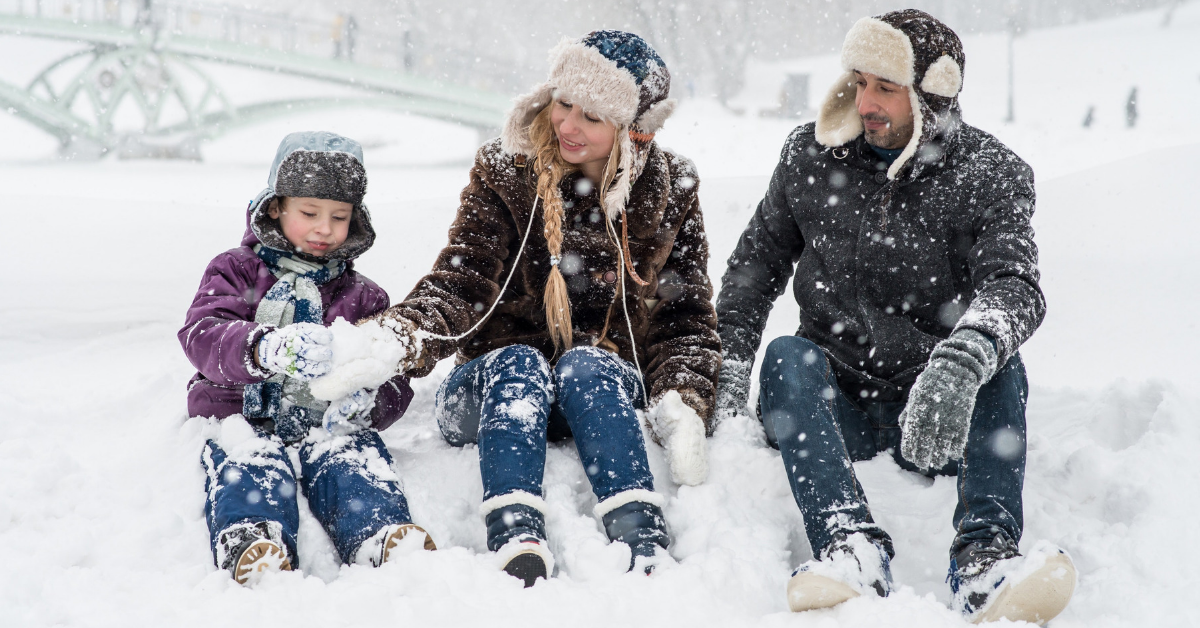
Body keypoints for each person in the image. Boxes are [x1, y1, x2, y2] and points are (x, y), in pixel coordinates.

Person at [713, 10, 1075, 624]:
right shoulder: (809, 156)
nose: (866, 101)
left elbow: (1015, 285)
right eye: (859, 82)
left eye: (886, 87)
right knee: (785, 357)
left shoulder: (989, 174)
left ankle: (985, 560)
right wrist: (724, 376)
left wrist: (961, 363)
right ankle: (849, 546)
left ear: (931, 95)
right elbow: (752, 273)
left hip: (938, 413)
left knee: (1000, 363)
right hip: (835, 406)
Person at [364, 31, 720, 586]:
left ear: (633, 130)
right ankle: (516, 531)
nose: (568, 125)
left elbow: (686, 314)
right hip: (493, 389)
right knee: (520, 365)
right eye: (564, 103)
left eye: (593, 116)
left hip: (595, 396)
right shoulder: (506, 170)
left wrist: (684, 396)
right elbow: (463, 279)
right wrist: (399, 336)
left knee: (589, 364)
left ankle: (639, 533)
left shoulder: (673, 186)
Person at [179, 131, 435, 586]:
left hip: (326, 422)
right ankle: (254, 536)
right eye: (310, 213)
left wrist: (371, 402)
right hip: (239, 412)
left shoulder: (364, 296)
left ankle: (378, 532)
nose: (324, 229)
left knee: (352, 458)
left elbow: (392, 374)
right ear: (276, 206)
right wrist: (262, 347)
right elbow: (203, 333)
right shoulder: (236, 270)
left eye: (339, 217)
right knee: (250, 460)